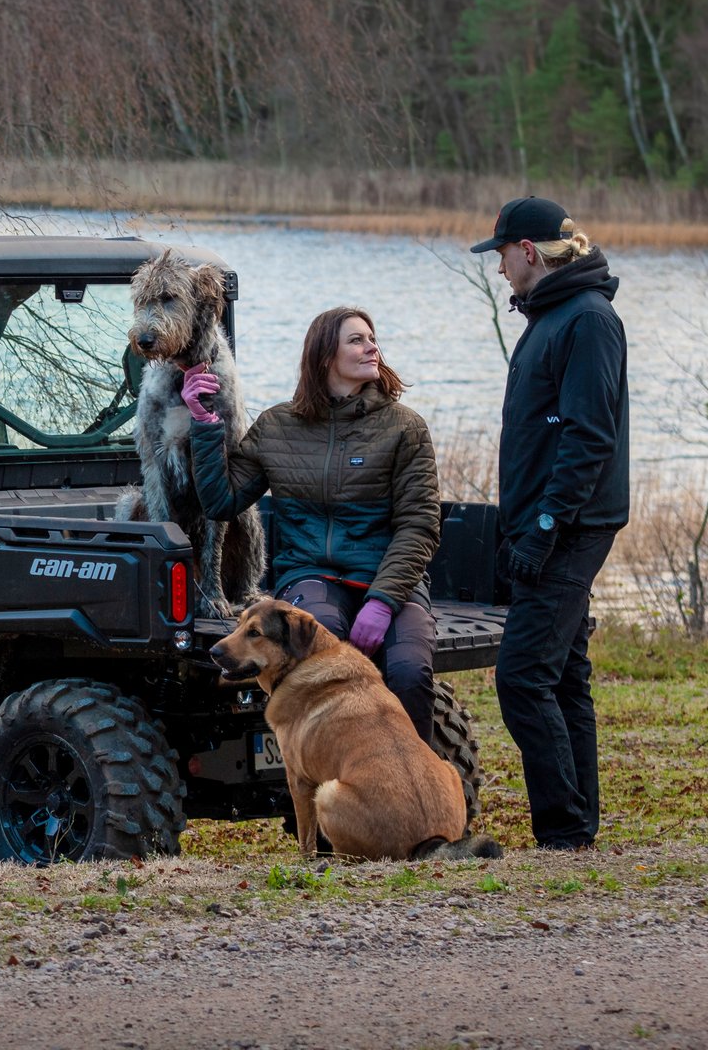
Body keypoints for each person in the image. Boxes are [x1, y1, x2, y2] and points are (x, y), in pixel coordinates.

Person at [183, 307, 441, 742]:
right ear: (324, 356)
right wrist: (205, 423)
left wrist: (381, 602)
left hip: (390, 580)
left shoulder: (405, 427)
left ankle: (410, 789)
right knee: (316, 663)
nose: (371, 346)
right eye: (357, 340)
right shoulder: (278, 425)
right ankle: (314, 792)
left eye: (371, 338)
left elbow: (420, 525)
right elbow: (220, 501)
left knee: (409, 673)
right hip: (312, 575)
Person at [471, 196, 629, 850]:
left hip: (570, 526)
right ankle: (576, 829)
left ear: (528, 251)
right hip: (554, 521)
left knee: (522, 676)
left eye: (502, 254)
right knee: (563, 675)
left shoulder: (588, 320)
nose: (499, 268)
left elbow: (589, 437)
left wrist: (544, 524)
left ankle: (563, 832)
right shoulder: (553, 314)